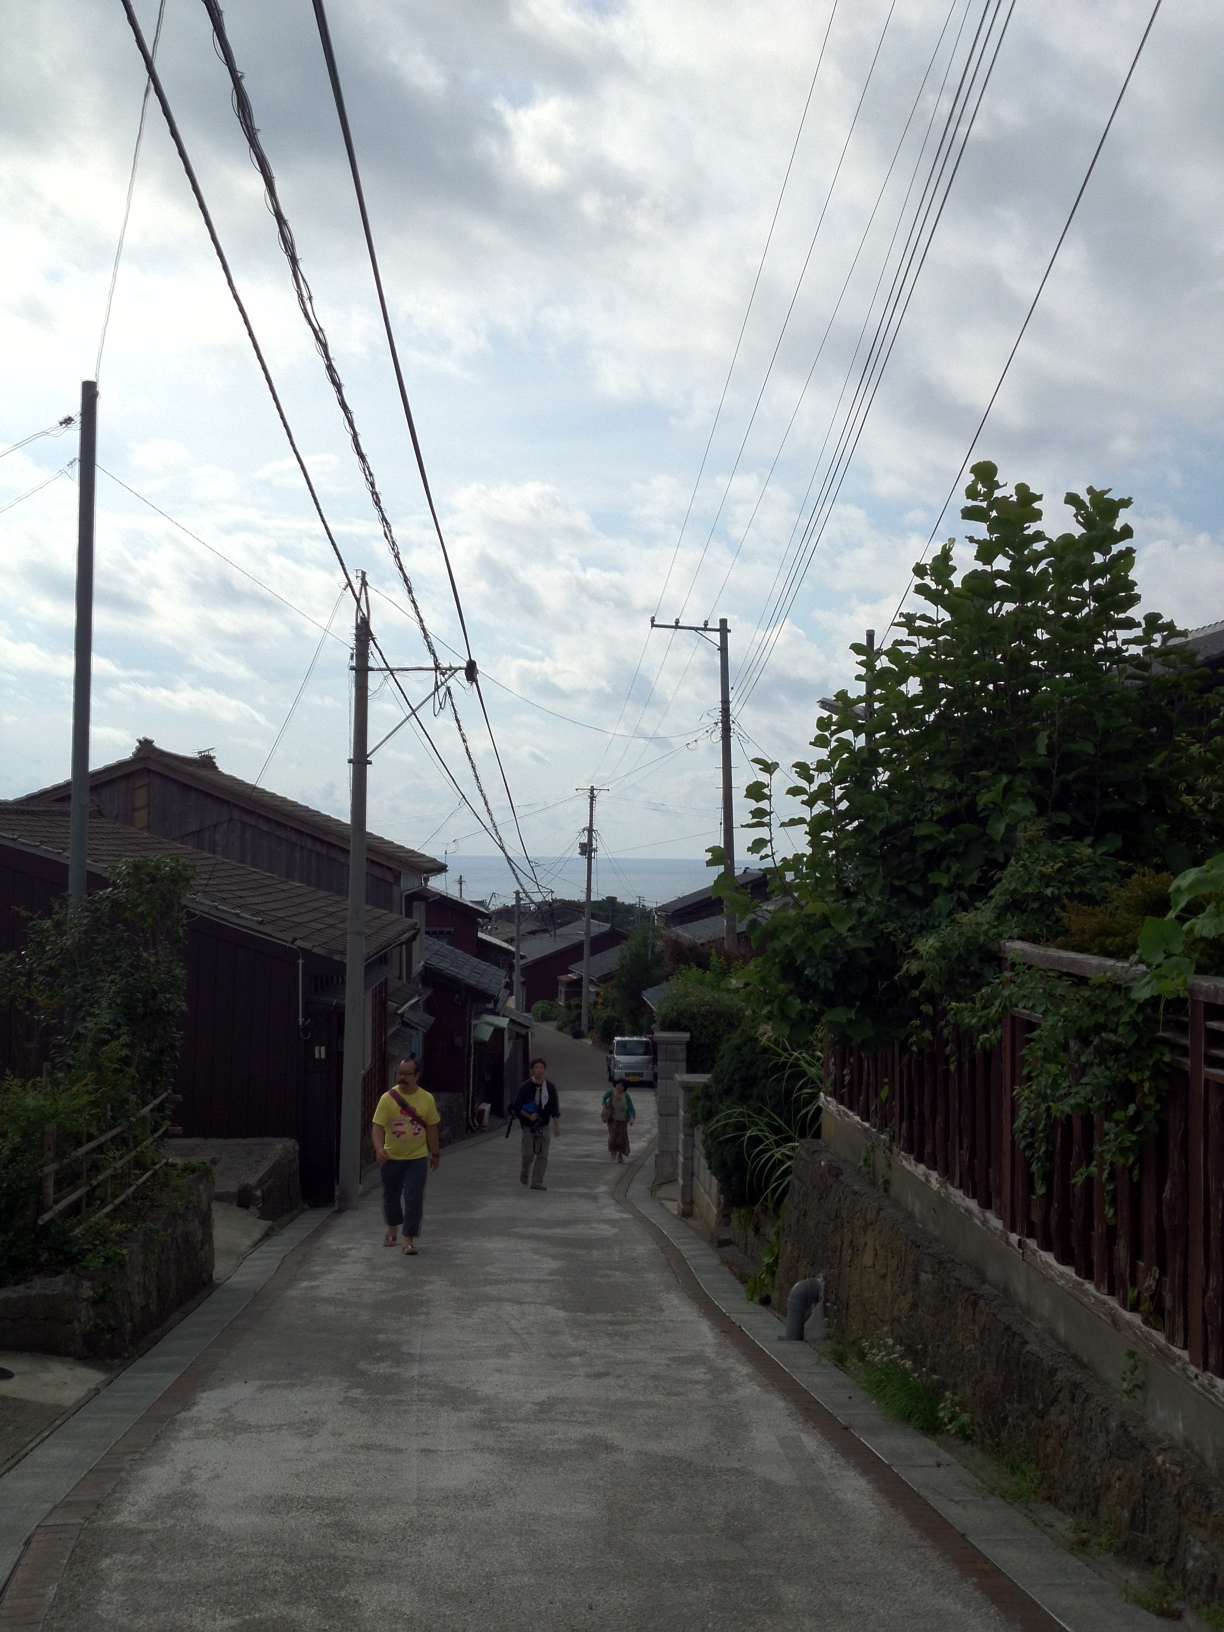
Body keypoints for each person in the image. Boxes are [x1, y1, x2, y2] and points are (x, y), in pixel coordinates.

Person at [371, 1056, 441, 1254]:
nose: (402, 1077)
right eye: (400, 1073)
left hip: (417, 1158)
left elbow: (432, 1128)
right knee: (391, 1198)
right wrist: (378, 1149)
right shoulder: (387, 1099)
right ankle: (392, 1227)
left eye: (407, 1074)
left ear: (417, 1076)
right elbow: (377, 1127)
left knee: (413, 1196)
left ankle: (408, 1239)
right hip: (392, 1158)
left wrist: (435, 1153)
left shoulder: (426, 1099)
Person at [511, 1056, 560, 1190]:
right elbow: (517, 1106)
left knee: (543, 1155)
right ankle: (525, 1170)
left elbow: (554, 1106)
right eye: (536, 1068)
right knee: (528, 1155)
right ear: (532, 1070)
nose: (539, 1070)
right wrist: (528, 1115)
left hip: (544, 1125)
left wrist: (555, 1124)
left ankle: (537, 1181)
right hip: (528, 1126)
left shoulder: (550, 1087)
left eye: (542, 1068)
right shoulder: (525, 1087)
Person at [601, 1081, 635, 1163]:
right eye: (618, 1085)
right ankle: (613, 1151)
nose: (619, 1087)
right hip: (613, 1119)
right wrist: (604, 1106)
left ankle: (620, 1155)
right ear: (615, 1085)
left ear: (624, 1088)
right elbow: (604, 1097)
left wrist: (632, 1118)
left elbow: (631, 1109)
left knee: (621, 1139)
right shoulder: (611, 1092)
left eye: (622, 1086)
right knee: (613, 1136)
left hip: (623, 1120)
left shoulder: (626, 1096)